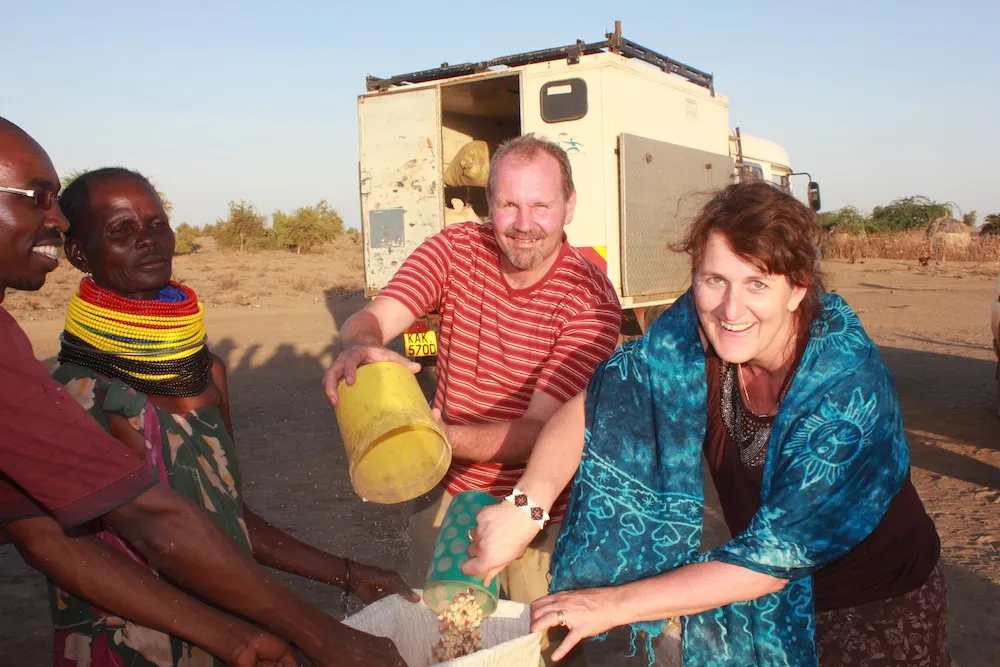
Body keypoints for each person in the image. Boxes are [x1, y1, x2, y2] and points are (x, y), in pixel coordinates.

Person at [465, 182, 949, 666]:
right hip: (758, 593)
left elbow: (774, 559)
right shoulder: (698, 324)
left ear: (797, 288)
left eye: (758, 283)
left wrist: (608, 604)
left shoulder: (847, 389)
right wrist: (525, 507)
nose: (731, 310)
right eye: (714, 279)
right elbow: (598, 402)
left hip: (873, 602)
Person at [0, 117, 405, 667]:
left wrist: (351, 574)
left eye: (157, 224)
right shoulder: (73, 391)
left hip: (230, 629)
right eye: (120, 231)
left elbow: (223, 519)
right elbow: (112, 531)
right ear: (80, 254)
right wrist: (316, 634)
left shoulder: (207, 372)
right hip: (136, 644)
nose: (148, 241)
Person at [324, 133, 622, 664]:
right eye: (508, 204)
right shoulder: (457, 248)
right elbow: (373, 317)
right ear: (490, 204)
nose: (523, 223)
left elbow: (539, 434)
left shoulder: (589, 300)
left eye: (541, 205)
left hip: (539, 512)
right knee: (446, 644)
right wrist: (361, 346)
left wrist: (435, 436)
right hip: (446, 499)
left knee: (542, 651)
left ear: (569, 206)